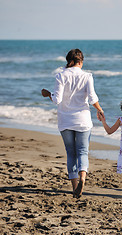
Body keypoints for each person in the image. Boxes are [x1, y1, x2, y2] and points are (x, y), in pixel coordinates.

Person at [41, 49, 104, 199]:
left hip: (66, 120)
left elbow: (57, 100)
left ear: (68, 61)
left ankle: (75, 187)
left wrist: (48, 94)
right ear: (81, 62)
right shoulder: (87, 76)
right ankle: (83, 177)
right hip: (83, 120)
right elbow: (92, 98)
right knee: (83, 151)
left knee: (71, 153)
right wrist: (100, 110)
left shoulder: (61, 76)